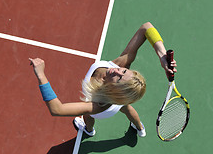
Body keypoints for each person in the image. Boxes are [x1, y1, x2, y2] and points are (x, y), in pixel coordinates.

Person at [29, 22, 177, 138]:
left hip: (107, 109)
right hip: (121, 101)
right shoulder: (120, 64)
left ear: (115, 91)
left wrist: (41, 75)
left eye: (119, 78)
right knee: (126, 108)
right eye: (124, 71)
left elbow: (57, 109)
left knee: (88, 115)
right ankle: (140, 128)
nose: (117, 71)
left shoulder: (98, 104)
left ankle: (89, 130)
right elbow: (146, 27)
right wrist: (162, 55)